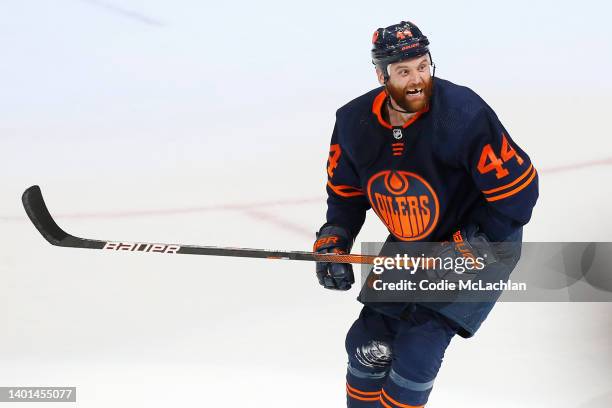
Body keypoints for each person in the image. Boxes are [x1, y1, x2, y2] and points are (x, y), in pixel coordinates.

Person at [313, 20, 539, 407]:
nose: (417, 79)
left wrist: (472, 245)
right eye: (403, 71)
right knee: (367, 345)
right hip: (413, 240)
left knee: (417, 348)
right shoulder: (354, 122)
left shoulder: (463, 114)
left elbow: (519, 195)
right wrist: (335, 235)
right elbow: (346, 194)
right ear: (381, 74)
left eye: (422, 66)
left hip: (482, 241)